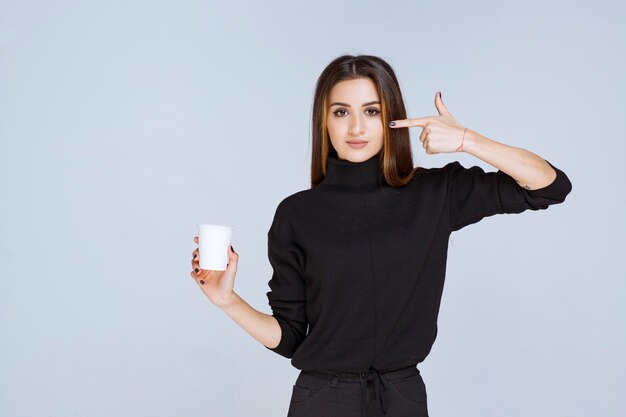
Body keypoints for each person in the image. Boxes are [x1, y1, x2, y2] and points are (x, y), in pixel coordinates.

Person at [189, 55, 572, 417]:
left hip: (402, 397)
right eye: (342, 112)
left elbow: (549, 186)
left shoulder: (435, 194)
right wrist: (227, 300)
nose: (356, 128)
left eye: (371, 111)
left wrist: (466, 140)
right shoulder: (297, 214)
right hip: (323, 400)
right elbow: (290, 337)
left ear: (391, 117)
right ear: (324, 121)